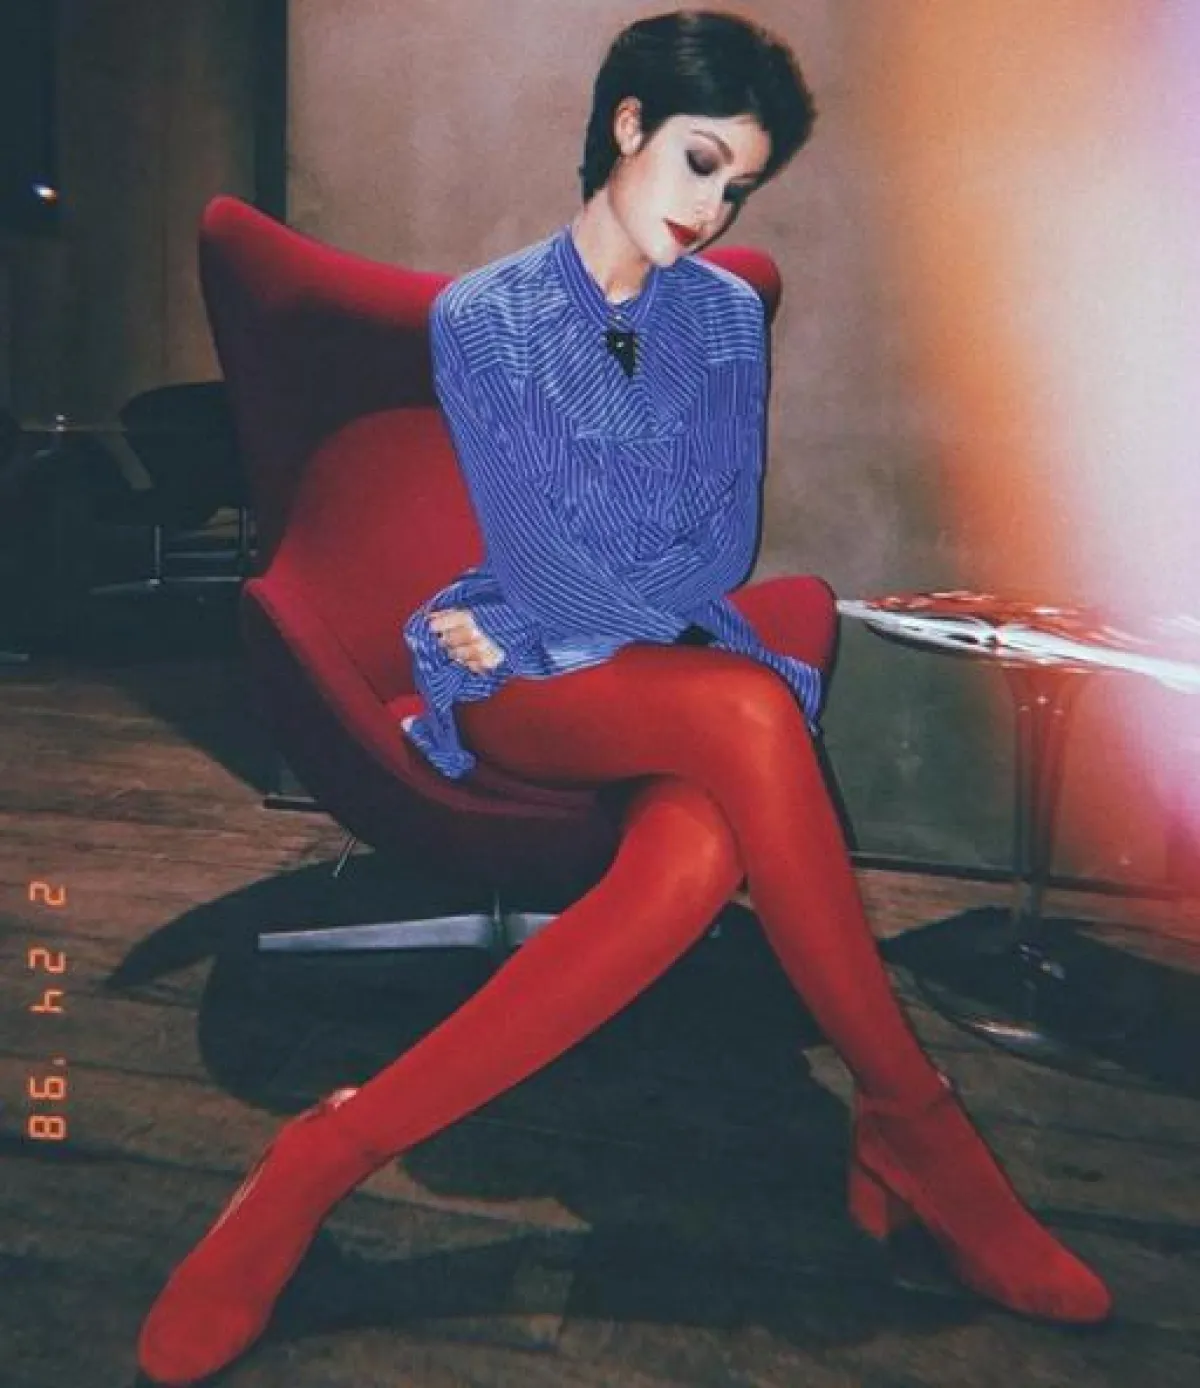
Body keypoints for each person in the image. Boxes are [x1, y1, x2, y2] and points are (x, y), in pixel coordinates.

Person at [137, 10, 1111, 1384]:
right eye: (700, 162)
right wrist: (608, 582)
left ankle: (320, 1157)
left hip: (657, 663)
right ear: (629, 124)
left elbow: (719, 548)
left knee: (701, 843)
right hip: (515, 673)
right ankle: (914, 1120)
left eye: (740, 187)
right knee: (748, 713)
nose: (712, 211)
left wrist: (616, 580)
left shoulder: (724, 318)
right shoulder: (488, 318)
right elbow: (541, 567)